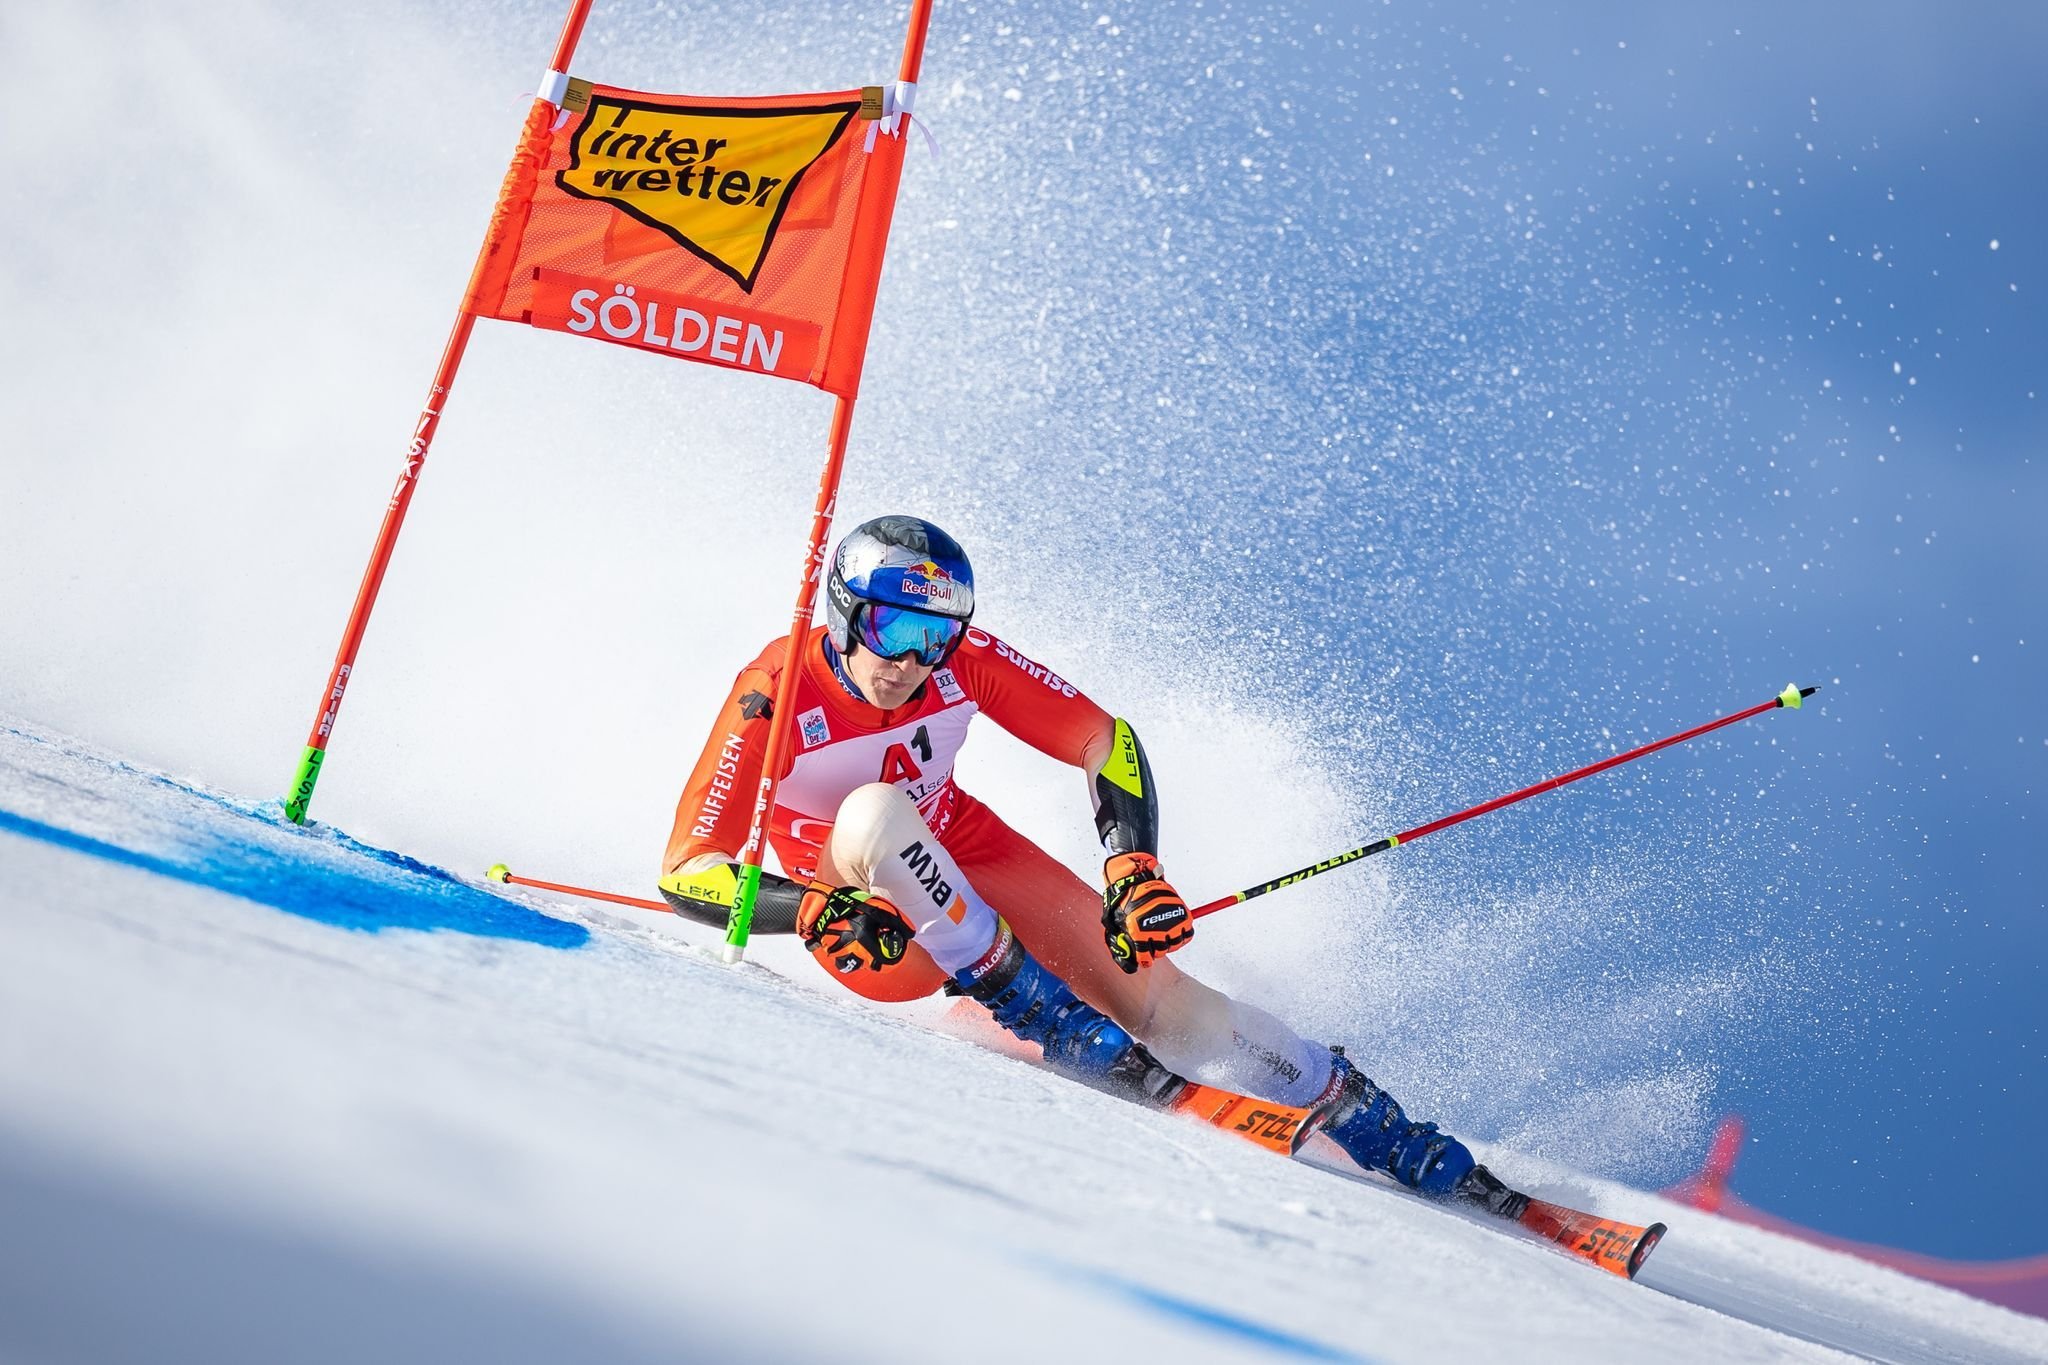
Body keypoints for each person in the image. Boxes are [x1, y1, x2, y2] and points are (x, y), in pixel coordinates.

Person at [659, 514, 1511, 1208]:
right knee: (876, 812)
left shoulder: (962, 668)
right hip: (875, 924)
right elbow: (687, 867)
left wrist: (1130, 865)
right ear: (846, 610)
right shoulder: (775, 688)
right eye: (891, 626)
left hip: (970, 853)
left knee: (1168, 1005)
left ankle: (1364, 1112)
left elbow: (1106, 739)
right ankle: (1033, 1004)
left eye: (936, 636)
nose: (912, 660)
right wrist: (807, 909)